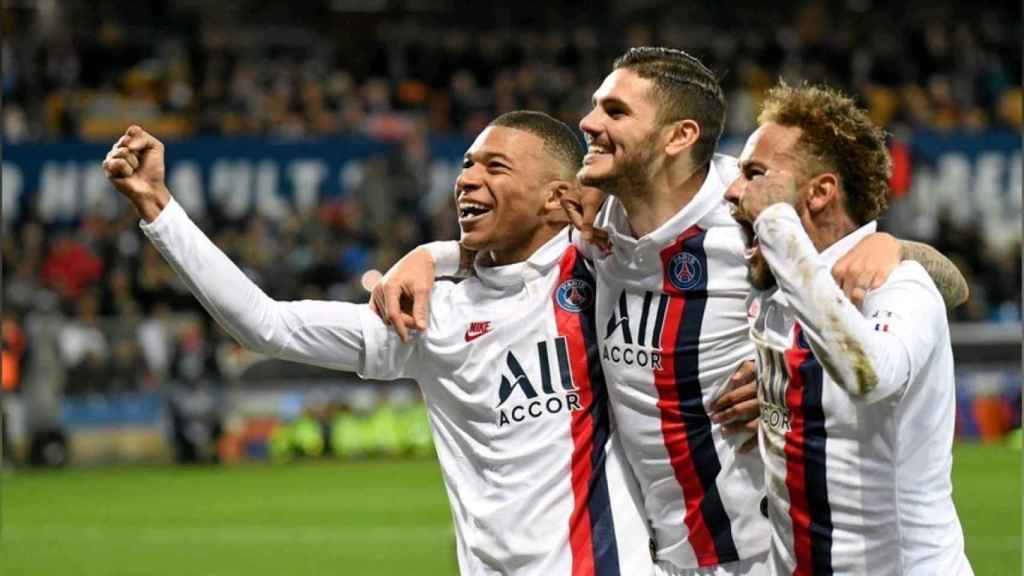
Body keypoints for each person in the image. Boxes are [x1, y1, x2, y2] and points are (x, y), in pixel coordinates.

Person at [372, 47, 968, 576]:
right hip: (660, 555)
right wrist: (434, 253)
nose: (588, 123)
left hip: (763, 550)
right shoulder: (592, 217)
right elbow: (511, 234)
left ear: (679, 137)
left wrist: (886, 246)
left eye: (615, 111)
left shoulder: (744, 208)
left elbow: (936, 283)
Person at [102, 114, 655, 575]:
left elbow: (689, 210)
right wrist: (158, 208)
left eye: (495, 167)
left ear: (556, 197)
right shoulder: (428, 316)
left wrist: (434, 253)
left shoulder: (606, 270)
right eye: (466, 165)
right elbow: (265, 324)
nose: (466, 180)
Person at [725, 82, 973, 575]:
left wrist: (776, 224)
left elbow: (869, 374)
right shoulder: (781, 295)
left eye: (756, 174)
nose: (735, 191)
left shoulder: (898, 286)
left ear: (820, 192)